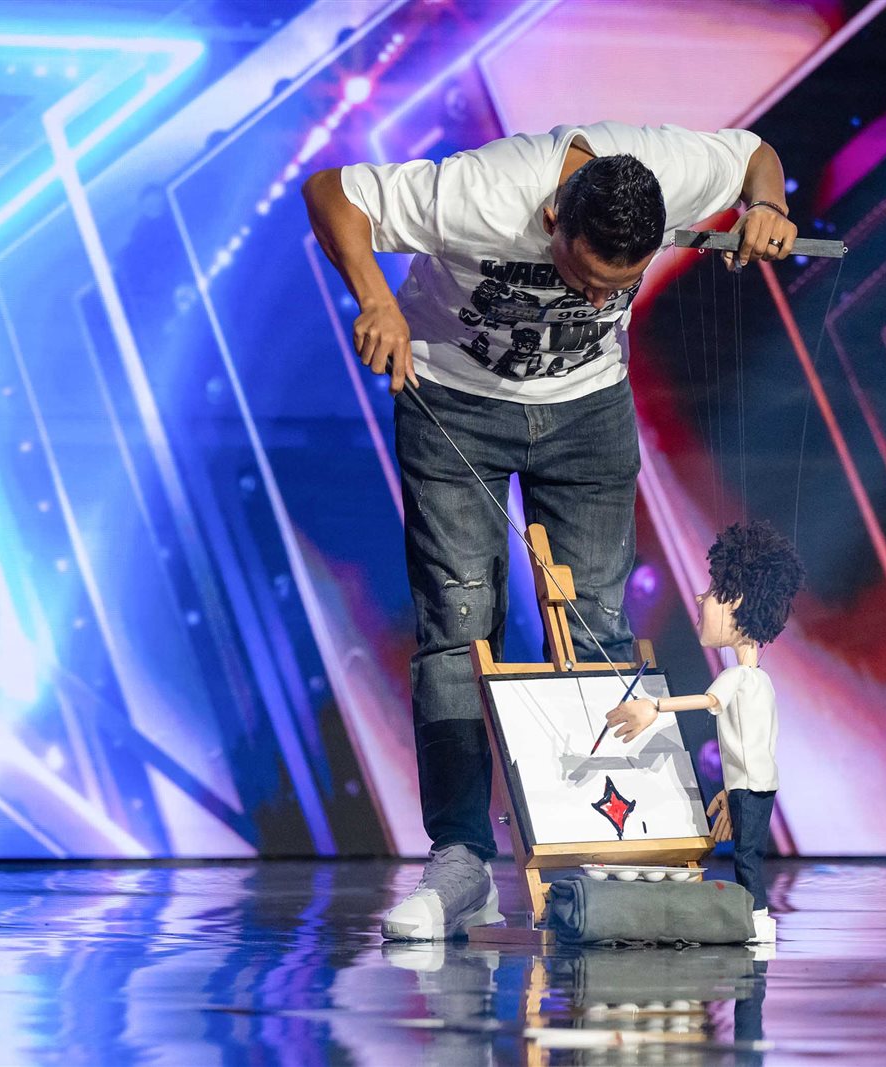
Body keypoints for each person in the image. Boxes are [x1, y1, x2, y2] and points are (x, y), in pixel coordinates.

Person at [302, 123, 798, 940]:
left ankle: (609, 856)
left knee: (598, 623)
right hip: (454, 401)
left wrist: (767, 204)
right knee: (460, 628)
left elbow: (754, 155)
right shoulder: (483, 191)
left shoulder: (664, 171)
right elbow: (332, 192)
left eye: (620, 286)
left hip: (588, 414)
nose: (601, 301)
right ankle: (461, 863)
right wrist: (377, 299)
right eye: (586, 278)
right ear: (551, 219)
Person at [605, 520, 804, 943]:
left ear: (738, 603)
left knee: (746, 856)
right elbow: (759, 744)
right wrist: (732, 791)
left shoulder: (738, 678)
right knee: (747, 851)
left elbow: (706, 701)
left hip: (751, 787)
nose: (699, 597)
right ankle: (755, 915)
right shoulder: (761, 680)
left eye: (713, 591)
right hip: (757, 786)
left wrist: (654, 706)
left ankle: (756, 915)